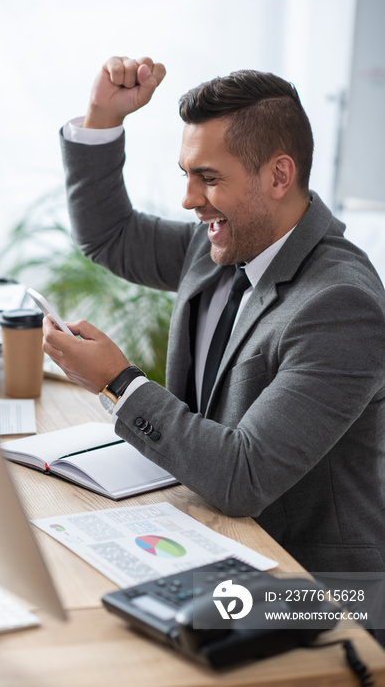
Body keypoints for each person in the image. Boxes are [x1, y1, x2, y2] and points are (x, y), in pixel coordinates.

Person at [43, 56, 385, 576]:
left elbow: (243, 477)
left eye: (206, 178)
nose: (188, 199)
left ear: (278, 175)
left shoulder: (341, 306)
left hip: (312, 590)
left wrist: (118, 383)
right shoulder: (223, 243)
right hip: (216, 542)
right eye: (186, 175)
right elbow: (109, 235)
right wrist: (102, 117)